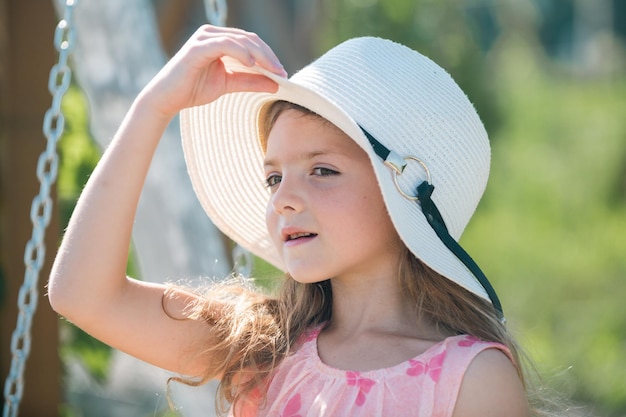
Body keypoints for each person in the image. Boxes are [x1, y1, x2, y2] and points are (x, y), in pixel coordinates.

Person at [49, 25, 534, 416]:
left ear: (406, 194)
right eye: (273, 177)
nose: (283, 199)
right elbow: (82, 295)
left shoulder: (471, 380)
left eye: (322, 170)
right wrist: (153, 107)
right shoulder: (262, 348)